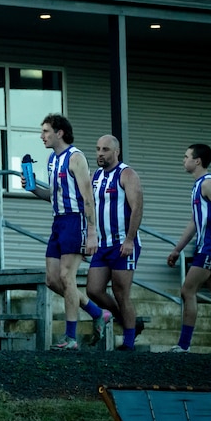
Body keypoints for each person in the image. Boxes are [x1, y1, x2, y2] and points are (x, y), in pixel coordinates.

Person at [21, 114, 110, 351]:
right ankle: (96, 312)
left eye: (46, 131)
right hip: (58, 221)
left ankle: (71, 338)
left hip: (75, 220)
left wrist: (92, 232)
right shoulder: (52, 159)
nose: (42, 136)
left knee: (67, 277)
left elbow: (88, 197)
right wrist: (31, 188)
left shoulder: (76, 158)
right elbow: (53, 195)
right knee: (52, 279)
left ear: (60, 132)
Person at [165, 144, 211, 353]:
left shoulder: (208, 183)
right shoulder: (197, 186)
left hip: (210, 247)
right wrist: (177, 249)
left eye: (186, 156)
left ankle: (184, 345)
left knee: (188, 290)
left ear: (197, 161)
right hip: (206, 247)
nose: (183, 160)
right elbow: (194, 222)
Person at [85, 135, 142, 351]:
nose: (100, 153)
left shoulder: (127, 174)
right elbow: (86, 206)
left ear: (116, 152)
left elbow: (137, 207)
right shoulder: (96, 176)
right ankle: (127, 321)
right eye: (98, 148)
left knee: (121, 292)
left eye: (105, 149)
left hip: (123, 243)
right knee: (93, 290)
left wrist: (129, 239)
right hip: (102, 244)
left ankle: (129, 342)